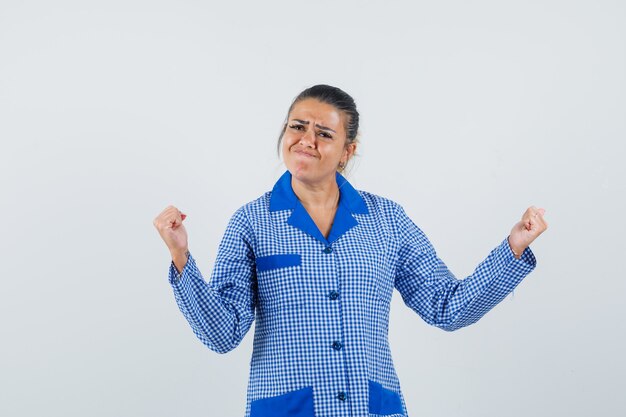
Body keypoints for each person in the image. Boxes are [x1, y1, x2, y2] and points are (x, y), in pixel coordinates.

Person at [153, 84, 548, 417]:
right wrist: (181, 258)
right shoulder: (251, 223)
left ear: (347, 151)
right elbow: (222, 334)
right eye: (298, 127)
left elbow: (446, 306)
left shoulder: (387, 220)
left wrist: (512, 247)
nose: (307, 140)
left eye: (324, 133)